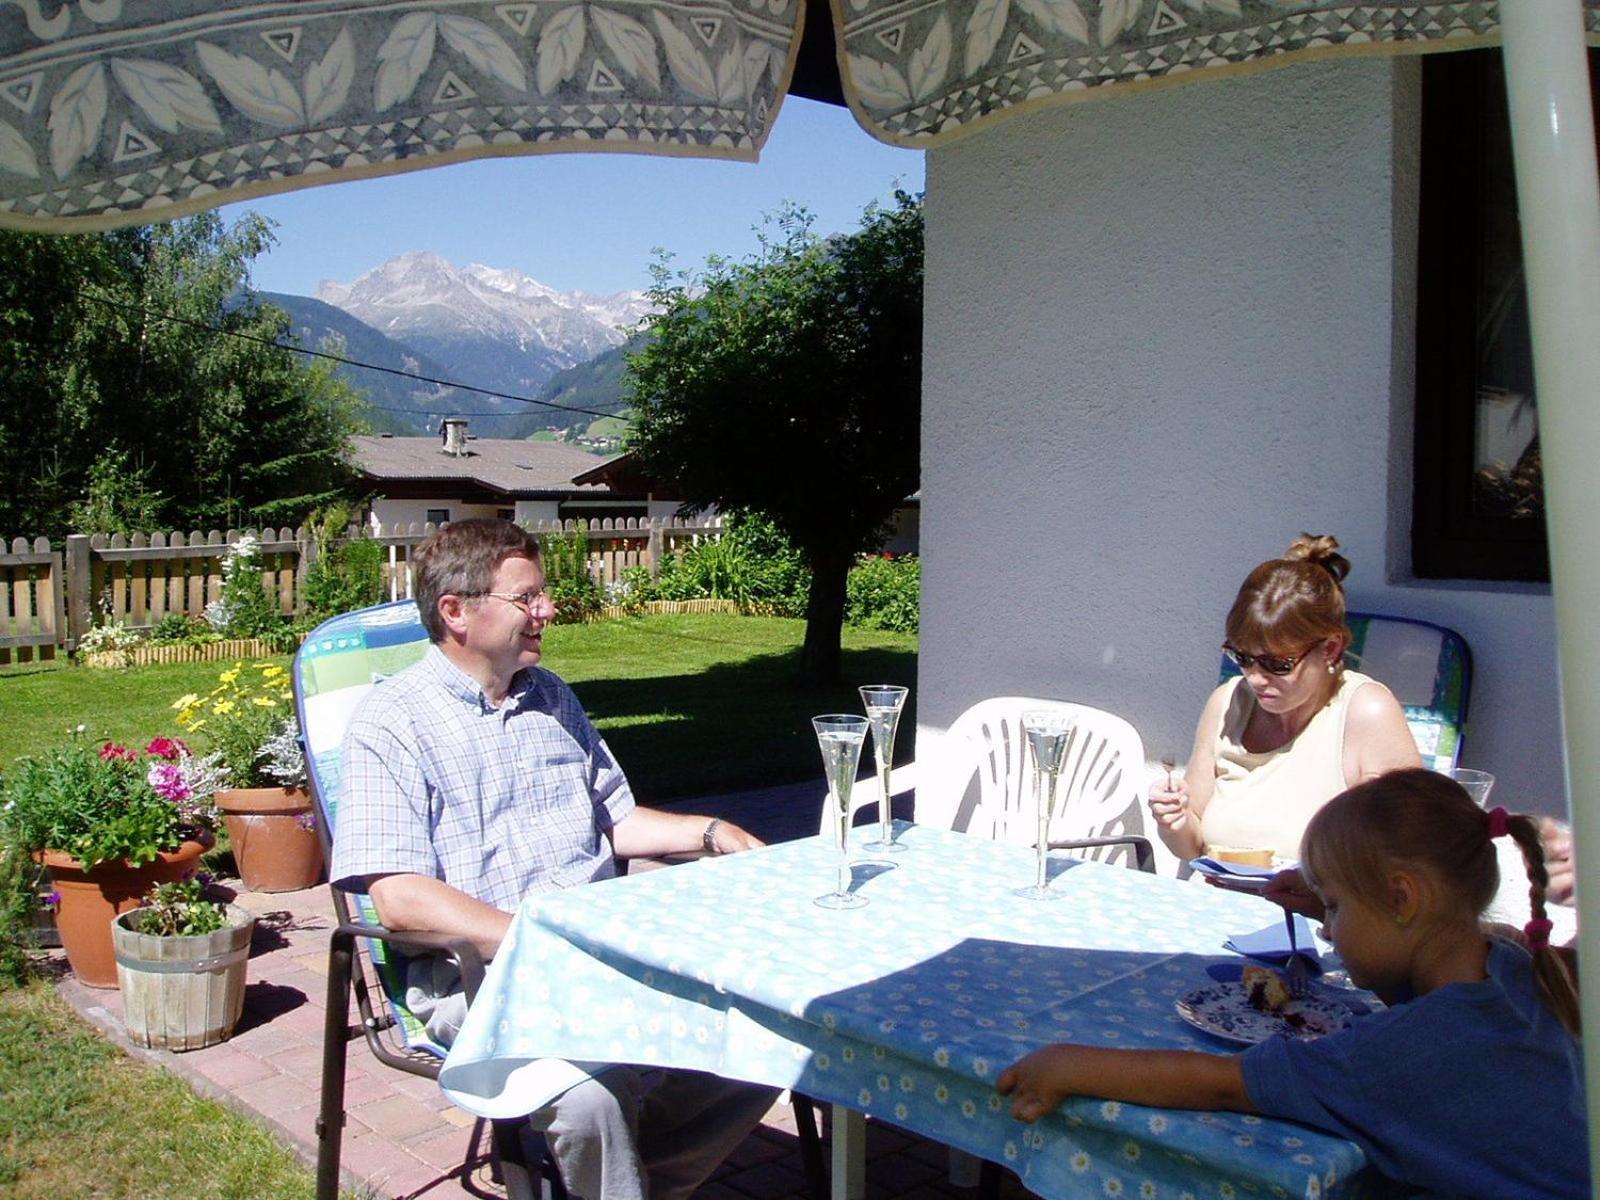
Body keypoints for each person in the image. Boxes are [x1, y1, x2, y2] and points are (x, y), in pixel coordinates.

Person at [330, 518, 776, 1200]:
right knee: (592, 1097)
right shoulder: (392, 724)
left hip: (601, 947)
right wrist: (540, 940)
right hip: (480, 976)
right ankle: (615, 1173)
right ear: (456, 612)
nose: (548, 610)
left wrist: (710, 832)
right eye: (527, 597)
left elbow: (615, 820)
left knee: (767, 1028)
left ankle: (627, 1180)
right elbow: (399, 898)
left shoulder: (552, 696)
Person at [999, 769, 1588, 1198]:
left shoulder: (1394, 1055)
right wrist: (1349, 902)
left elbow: (1224, 1085)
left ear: (1402, 898)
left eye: (1334, 907)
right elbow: (1426, 992)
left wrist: (1069, 1064)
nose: (1329, 929)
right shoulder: (1516, 967)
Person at [1148, 533, 1420, 863]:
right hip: (1220, 902)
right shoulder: (1227, 704)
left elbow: (1406, 855)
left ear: (1330, 649)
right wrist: (1174, 822)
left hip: (1320, 910)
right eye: (1244, 658)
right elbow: (1193, 848)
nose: (1255, 678)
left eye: (1278, 664)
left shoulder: (1365, 712)